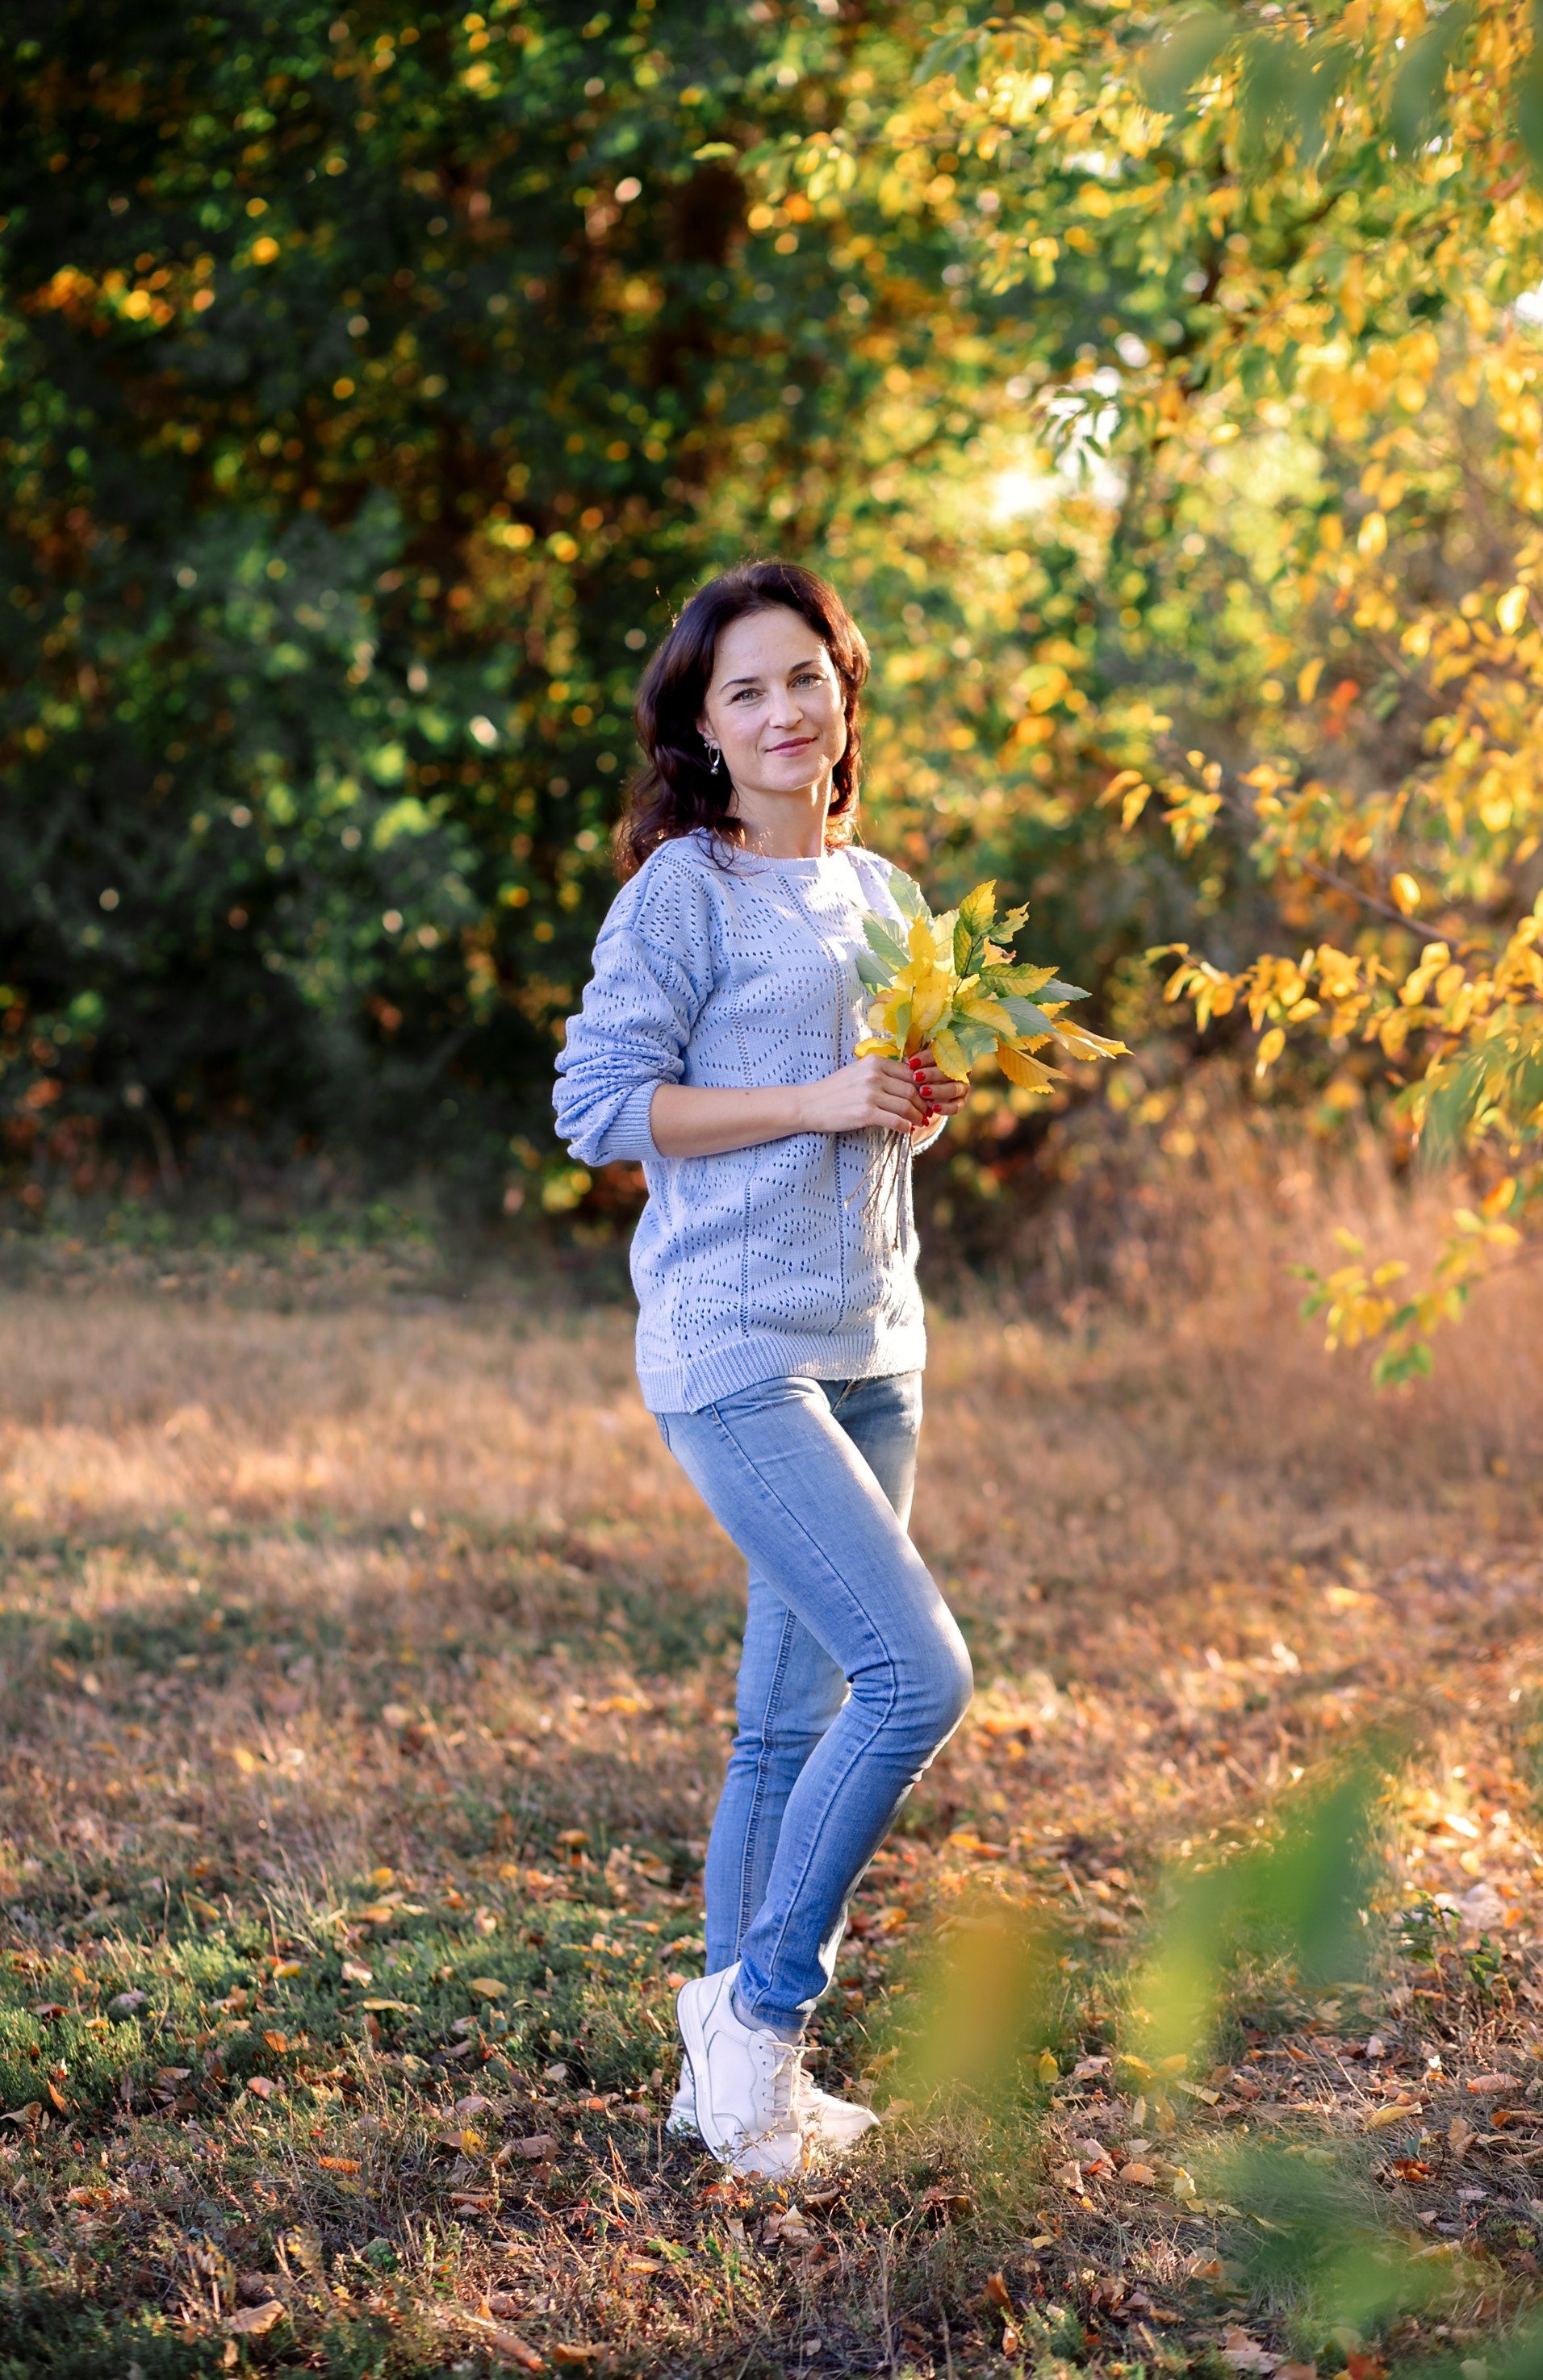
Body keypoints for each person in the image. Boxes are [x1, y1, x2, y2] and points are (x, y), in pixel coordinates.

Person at [551, 558, 974, 2177]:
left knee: (784, 1724)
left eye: (807, 676)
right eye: (749, 689)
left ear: (844, 692)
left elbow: (881, 1108)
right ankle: (764, 2007)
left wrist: (908, 1104)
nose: (786, 708)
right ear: (705, 729)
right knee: (916, 1674)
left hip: (877, 1337)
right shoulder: (684, 894)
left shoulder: (886, 896)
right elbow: (598, 1110)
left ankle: (737, 2104)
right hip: (733, 1341)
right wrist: (815, 1098)